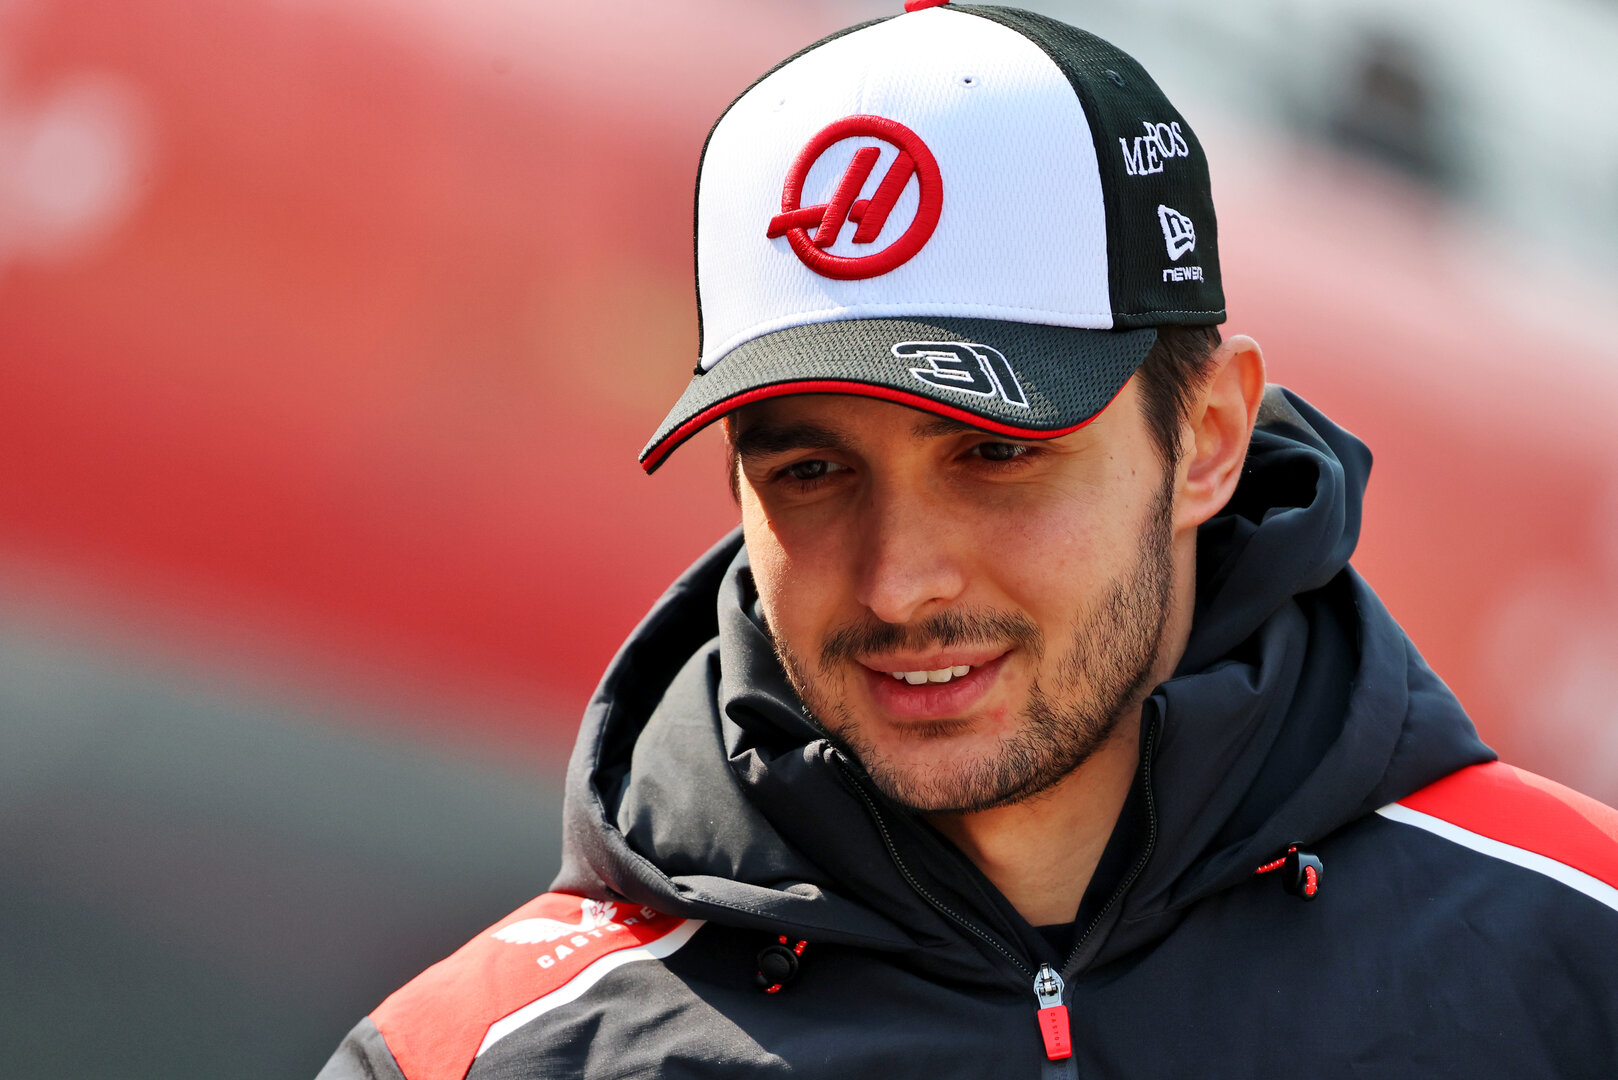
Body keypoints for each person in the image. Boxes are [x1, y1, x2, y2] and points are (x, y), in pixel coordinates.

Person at [318, 3, 1618, 1077]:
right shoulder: (474, 1058)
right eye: (812, 472)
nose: (898, 582)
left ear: (1208, 437)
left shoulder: (1576, 950)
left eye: (995, 454)